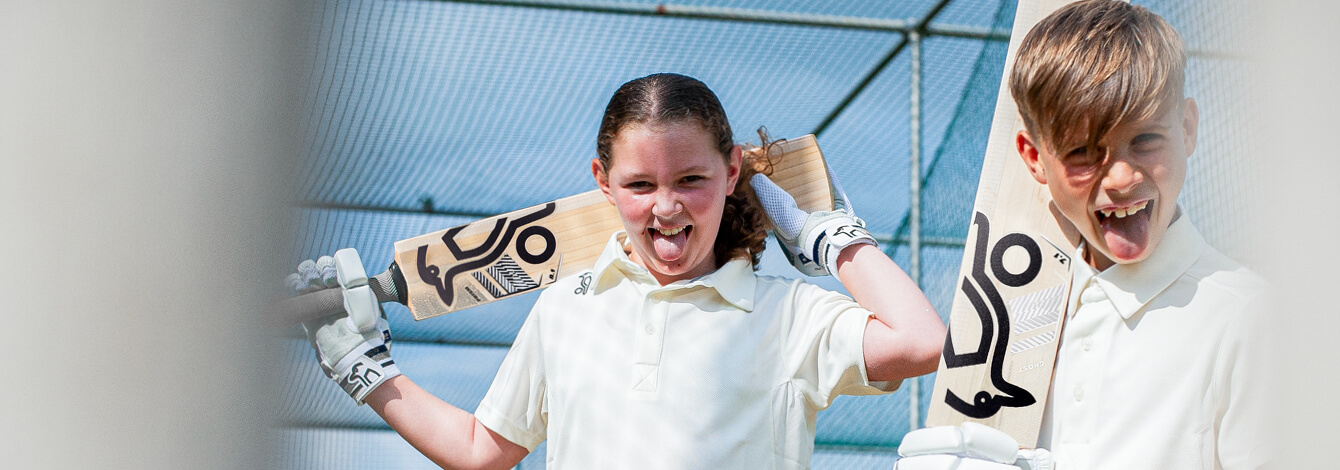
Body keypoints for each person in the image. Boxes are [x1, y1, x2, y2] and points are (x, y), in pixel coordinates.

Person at [291, 73, 947, 469]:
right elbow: (479, 451)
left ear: (733, 173)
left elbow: (923, 342)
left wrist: (829, 238)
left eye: (692, 179)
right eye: (640, 184)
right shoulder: (567, 309)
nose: (665, 206)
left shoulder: (791, 317)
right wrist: (366, 370)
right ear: (602, 182)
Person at [896, 1, 1270, 469]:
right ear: (1033, 158)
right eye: (1082, 153)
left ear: (1188, 128)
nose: (1121, 177)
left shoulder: (1250, 319)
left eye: (1146, 139)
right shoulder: (1006, 314)